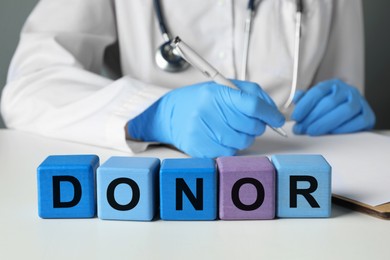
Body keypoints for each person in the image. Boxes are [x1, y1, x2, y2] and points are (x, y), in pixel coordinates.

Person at [0, 0, 375, 158]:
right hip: (161, 195)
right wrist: (154, 115)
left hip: (294, 192)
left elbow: (338, 88)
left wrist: (343, 105)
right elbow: (30, 84)